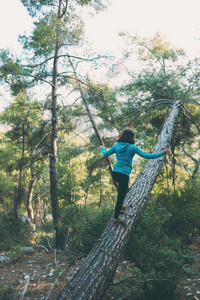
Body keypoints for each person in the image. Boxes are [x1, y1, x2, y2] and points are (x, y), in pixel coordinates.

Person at [100, 129, 169, 226]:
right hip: (124, 174)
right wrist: (162, 153)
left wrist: (102, 148)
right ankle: (116, 219)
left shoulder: (117, 146)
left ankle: (120, 207)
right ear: (132, 137)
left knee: (122, 190)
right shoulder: (133, 147)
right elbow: (147, 156)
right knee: (121, 196)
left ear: (123, 136)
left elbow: (105, 154)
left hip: (115, 173)